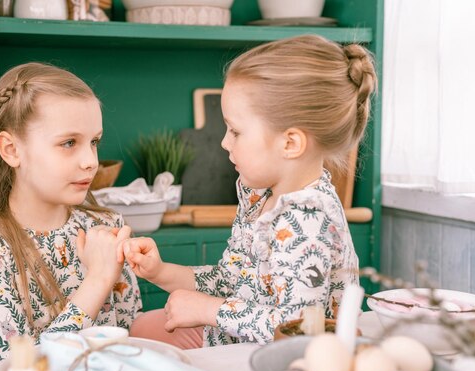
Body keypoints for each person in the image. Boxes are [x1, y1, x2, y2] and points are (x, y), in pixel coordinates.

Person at [125, 35, 377, 347]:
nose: (224, 142)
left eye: (235, 131)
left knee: (142, 340)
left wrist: (208, 310)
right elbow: (230, 281)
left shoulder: (309, 222)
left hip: (289, 362)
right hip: (242, 338)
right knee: (142, 328)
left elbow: (299, 328)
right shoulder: (259, 196)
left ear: (290, 143)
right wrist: (161, 272)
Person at [0, 63, 142, 371]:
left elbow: (129, 332)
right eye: (68, 143)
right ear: (11, 150)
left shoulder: (103, 226)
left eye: (94, 142)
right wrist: (98, 280)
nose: (91, 162)